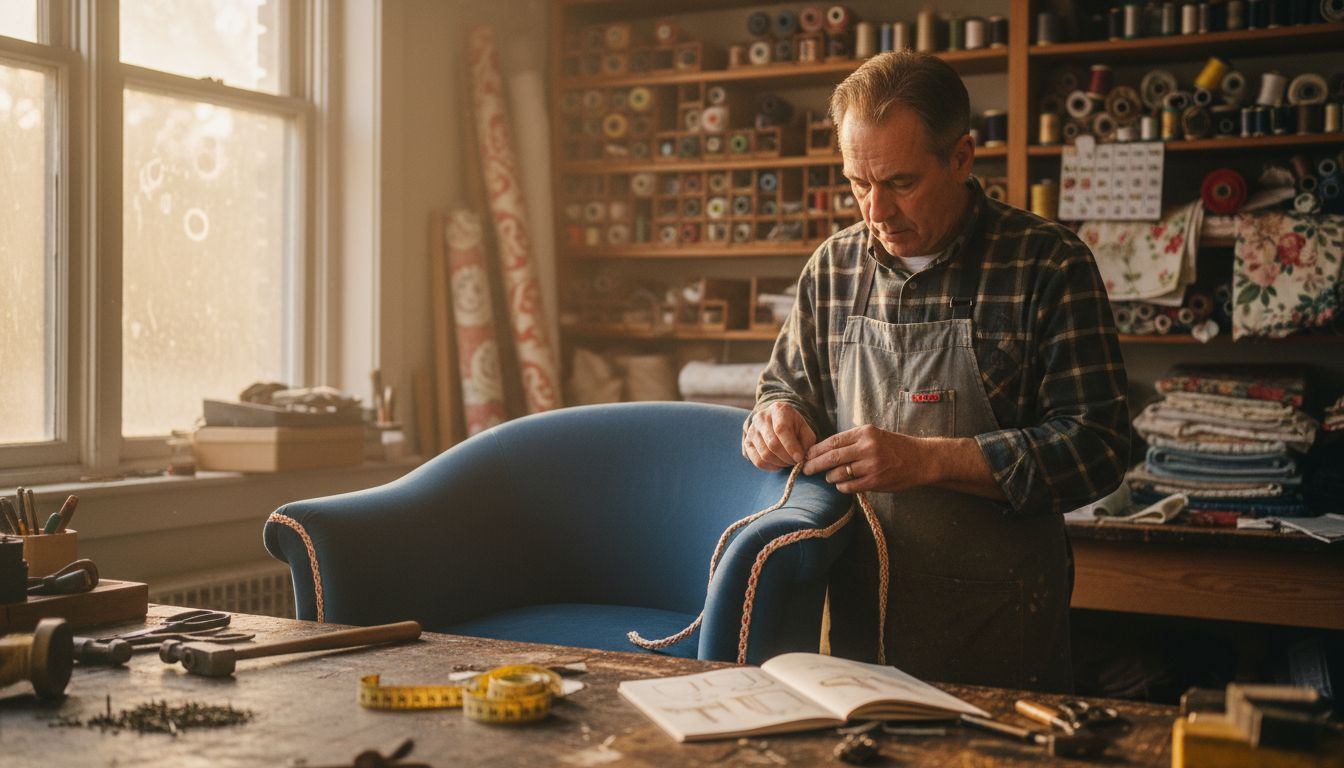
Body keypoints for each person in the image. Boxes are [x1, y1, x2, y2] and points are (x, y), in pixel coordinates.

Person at [742, 51, 1129, 693]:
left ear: (961, 157)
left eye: (900, 182)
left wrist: (928, 460)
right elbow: (787, 389)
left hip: (1004, 635)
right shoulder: (833, 269)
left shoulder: (1048, 265)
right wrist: (772, 419)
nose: (876, 211)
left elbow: (1099, 449)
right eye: (858, 184)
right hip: (859, 634)